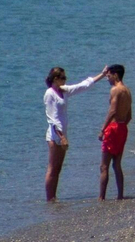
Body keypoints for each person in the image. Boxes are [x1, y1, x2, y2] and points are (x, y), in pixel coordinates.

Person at [44, 66, 103, 200]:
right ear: (55, 79)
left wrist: (102, 75)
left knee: (58, 168)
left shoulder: (63, 91)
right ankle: (49, 199)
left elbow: (82, 86)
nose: (66, 79)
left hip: (63, 135)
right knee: (52, 168)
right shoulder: (50, 93)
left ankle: (54, 197)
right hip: (55, 136)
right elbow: (51, 118)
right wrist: (61, 137)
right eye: (63, 77)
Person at [98, 64, 130, 200]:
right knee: (117, 164)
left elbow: (112, 110)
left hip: (113, 127)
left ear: (115, 75)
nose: (108, 78)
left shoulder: (115, 90)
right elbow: (129, 116)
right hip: (123, 127)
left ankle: (101, 197)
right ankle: (120, 195)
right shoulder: (127, 91)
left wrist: (103, 129)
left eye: (109, 75)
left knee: (104, 166)